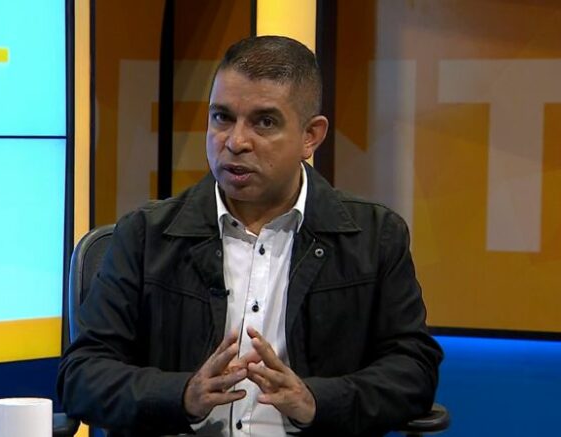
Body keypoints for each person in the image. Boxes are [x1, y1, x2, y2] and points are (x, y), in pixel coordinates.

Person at [58, 35, 443, 437]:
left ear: (311, 136)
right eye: (222, 117)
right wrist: (182, 396)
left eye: (264, 122)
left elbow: (413, 372)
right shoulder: (145, 236)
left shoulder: (374, 238)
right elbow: (82, 375)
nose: (236, 142)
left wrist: (316, 401)